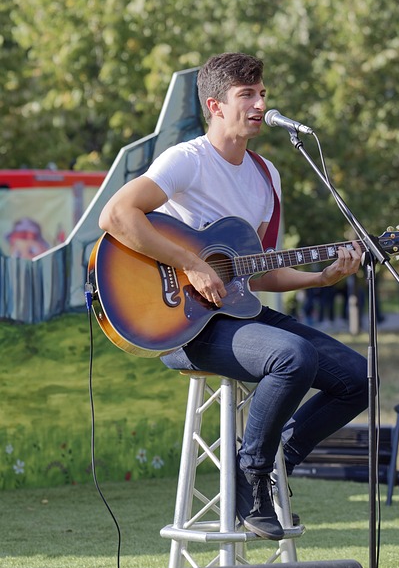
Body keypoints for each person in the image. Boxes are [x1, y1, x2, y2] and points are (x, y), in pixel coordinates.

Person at [98, 52, 369, 541]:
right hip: (185, 324)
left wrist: (319, 280)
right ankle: (251, 475)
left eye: (262, 93)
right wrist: (192, 263)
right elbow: (117, 216)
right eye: (247, 94)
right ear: (215, 105)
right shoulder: (188, 160)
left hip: (239, 313)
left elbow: (257, 273)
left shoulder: (267, 176)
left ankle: (275, 459)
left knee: (359, 378)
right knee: (292, 357)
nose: (260, 103)